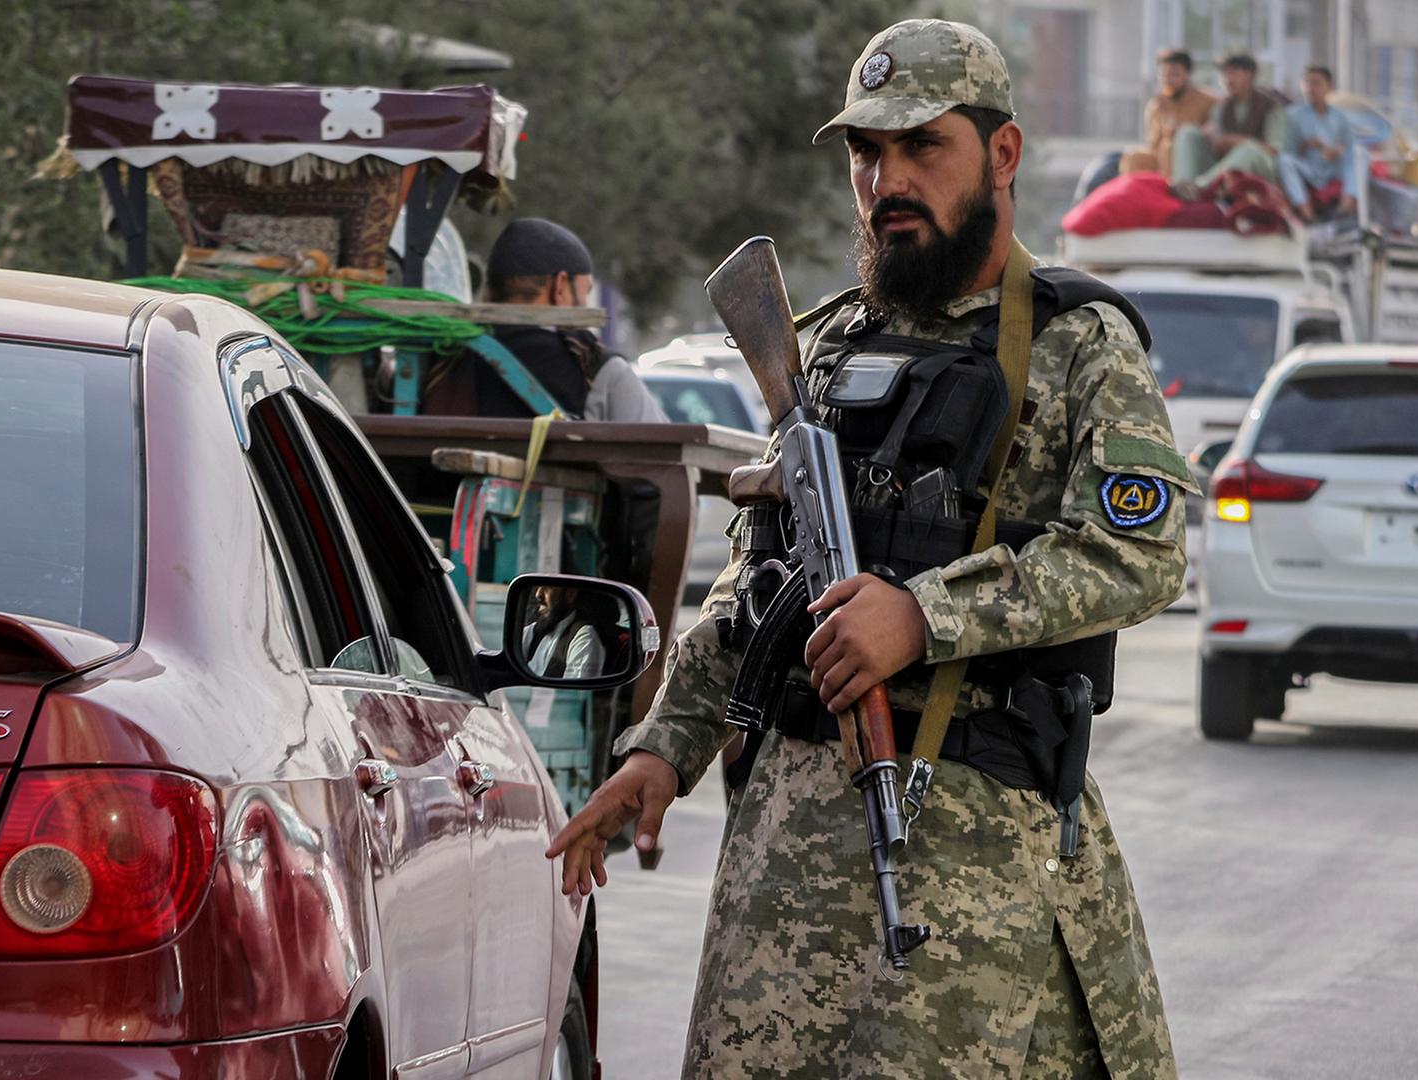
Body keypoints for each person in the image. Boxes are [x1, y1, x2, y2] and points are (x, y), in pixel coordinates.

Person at [545, 17, 1190, 1078]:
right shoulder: (832, 342)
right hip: (784, 866)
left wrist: (925, 616)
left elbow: (1139, 555)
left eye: (921, 147)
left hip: (972, 867)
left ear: (1004, 154)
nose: (887, 178)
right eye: (865, 152)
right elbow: (760, 582)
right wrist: (665, 747)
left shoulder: (1081, 348)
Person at [425, 217, 667, 423]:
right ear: (560, 286)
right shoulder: (595, 367)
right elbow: (664, 459)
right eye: (584, 292)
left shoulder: (437, 357)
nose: (584, 304)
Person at [1171, 52, 1287, 193]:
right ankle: (1183, 184)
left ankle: (1199, 188)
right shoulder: (1221, 107)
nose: (1227, 80)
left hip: (1262, 167)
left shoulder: (1271, 106)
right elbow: (1216, 143)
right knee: (1188, 132)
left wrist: (1236, 141)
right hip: (1226, 166)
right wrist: (1212, 136)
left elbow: (1273, 150)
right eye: (1223, 75)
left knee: (1248, 150)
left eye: (1233, 74)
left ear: (1250, 75)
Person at [1120, 48, 1218, 178]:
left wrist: (1183, 132)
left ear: (1188, 75)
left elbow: (1212, 135)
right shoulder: (1156, 105)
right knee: (1133, 157)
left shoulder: (1208, 101)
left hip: (1194, 162)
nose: (1168, 80)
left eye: (1174, 74)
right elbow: (1152, 144)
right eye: (1163, 75)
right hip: (1160, 160)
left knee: (1169, 147)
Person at [1280, 64, 1359, 222]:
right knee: (1284, 161)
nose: (1310, 88)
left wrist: (1337, 151)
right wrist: (1306, 145)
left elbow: (1348, 147)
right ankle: (1306, 212)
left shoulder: (1339, 117)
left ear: (1328, 87)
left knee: (1358, 155)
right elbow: (1288, 151)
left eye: (1316, 83)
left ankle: (1346, 206)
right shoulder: (1292, 116)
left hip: (1330, 167)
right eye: (1307, 83)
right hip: (1307, 166)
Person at [523, 584, 608, 680]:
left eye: (547, 587)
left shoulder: (585, 638)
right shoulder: (531, 632)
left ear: (570, 594)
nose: (538, 594)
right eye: (538, 586)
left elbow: (575, 692)